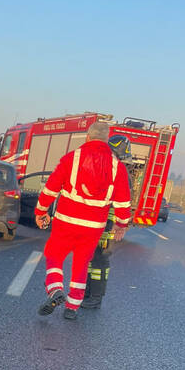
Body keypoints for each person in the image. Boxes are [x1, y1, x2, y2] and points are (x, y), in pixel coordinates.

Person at [35, 122, 132, 320]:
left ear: (88, 136)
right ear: (106, 139)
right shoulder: (117, 168)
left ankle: (55, 290)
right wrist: (122, 225)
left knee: (54, 254)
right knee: (81, 263)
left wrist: (41, 211)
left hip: (66, 221)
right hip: (93, 227)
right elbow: (123, 202)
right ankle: (72, 307)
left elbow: (51, 188)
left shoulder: (72, 158)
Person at [81, 135, 133, 309]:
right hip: (96, 225)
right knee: (91, 260)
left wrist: (119, 225)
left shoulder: (118, 172)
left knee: (99, 262)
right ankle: (88, 294)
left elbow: (122, 204)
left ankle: (95, 297)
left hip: (106, 227)